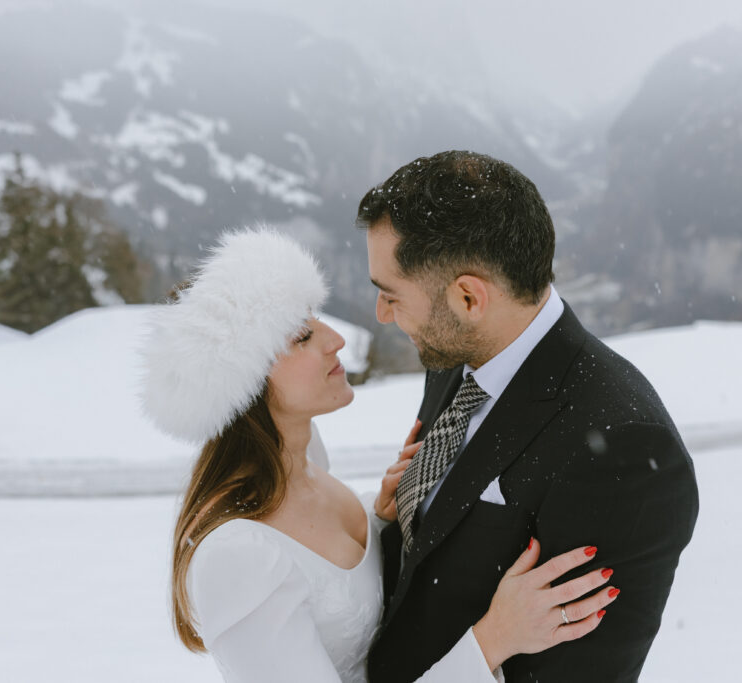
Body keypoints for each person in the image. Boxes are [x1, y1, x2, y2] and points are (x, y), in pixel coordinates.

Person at [139, 228, 620, 683]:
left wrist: (380, 517)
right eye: (302, 337)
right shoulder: (237, 556)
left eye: (316, 319)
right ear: (245, 385)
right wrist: (494, 638)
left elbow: (326, 578)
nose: (336, 339)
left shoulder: (306, 468)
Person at [358, 150, 700, 683]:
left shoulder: (625, 445)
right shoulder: (454, 356)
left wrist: (487, 642)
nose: (381, 314)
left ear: (468, 297)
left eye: (390, 294)